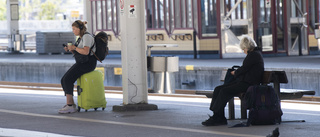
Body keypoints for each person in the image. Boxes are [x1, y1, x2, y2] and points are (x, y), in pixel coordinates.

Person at [202, 36, 264, 126]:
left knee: (224, 91)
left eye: (243, 49)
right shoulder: (254, 54)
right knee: (218, 89)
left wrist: (235, 72)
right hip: (244, 82)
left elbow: (244, 69)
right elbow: (246, 68)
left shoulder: (254, 55)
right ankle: (218, 115)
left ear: (247, 47)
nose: (243, 51)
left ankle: (218, 117)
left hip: (248, 84)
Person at [59, 20, 97, 114]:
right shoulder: (81, 38)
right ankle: (70, 104)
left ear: (80, 29)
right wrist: (70, 49)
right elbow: (79, 52)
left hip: (88, 64)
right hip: (82, 63)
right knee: (64, 79)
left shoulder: (87, 37)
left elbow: (86, 52)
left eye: (74, 29)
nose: (73, 31)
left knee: (67, 79)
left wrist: (74, 48)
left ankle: (70, 106)